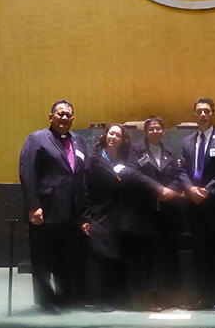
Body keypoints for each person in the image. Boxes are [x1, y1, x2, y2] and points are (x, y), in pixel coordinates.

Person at [18, 100, 88, 311]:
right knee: (42, 259)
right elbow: (27, 173)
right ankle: (45, 301)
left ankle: (64, 298)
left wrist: (84, 213)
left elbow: (81, 175)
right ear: (51, 117)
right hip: (45, 210)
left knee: (65, 258)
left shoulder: (79, 141)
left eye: (68, 115)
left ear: (73, 118)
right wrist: (33, 206)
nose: (64, 118)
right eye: (60, 114)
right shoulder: (37, 139)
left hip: (71, 211)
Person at [180, 97, 215, 314]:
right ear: (194, 115)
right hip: (195, 205)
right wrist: (190, 189)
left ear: (213, 113)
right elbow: (182, 171)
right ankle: (204, 296)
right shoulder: (187, 142)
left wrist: (208, 189)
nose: (203, 115)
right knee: (200, 253)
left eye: (206, 111)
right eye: (199, 111)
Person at [122, 116, 184, 310]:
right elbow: (132, 173)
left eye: (158, 129)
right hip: (144, 211)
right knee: (147, 256)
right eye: (151, 129)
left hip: (166, 212)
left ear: (163, 131)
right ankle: (149, 296)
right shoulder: (136, 150)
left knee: (165, 255)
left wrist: (169, 191)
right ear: (146, 132)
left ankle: (165, 295)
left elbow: (178, 175)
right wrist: (158, 189)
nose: (155, 132)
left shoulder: (170, 153)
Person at [81, 123, 132, 311]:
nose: (113, 137)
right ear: (105, 136)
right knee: (105, 257)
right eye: (111, 133)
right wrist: (86, 217)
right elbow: (85, 189)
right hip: (100, 214)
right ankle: (105, 299)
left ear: (122, 139)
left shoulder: (127, 158)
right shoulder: (93, 159)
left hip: (123, 213)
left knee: (121, 257)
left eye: (118, 135)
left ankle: (121, 297)